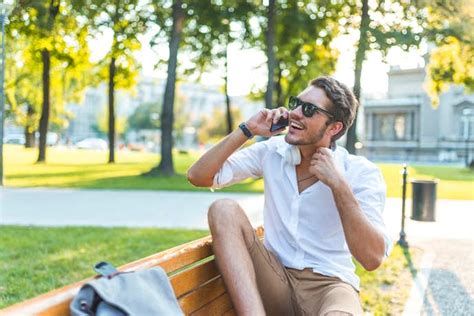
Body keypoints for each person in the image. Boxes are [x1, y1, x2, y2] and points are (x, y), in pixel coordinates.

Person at [187, 76, 392, 316]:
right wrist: (248, 130)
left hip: (330, 286)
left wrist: (338, 185)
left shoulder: (360, 172)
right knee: (223, 209)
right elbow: (198, 176)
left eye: (308, 109)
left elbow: (372, 259)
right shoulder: (272, 152)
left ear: (334, 127)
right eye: (296, 103)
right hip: (275, 278)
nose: (295, 113)